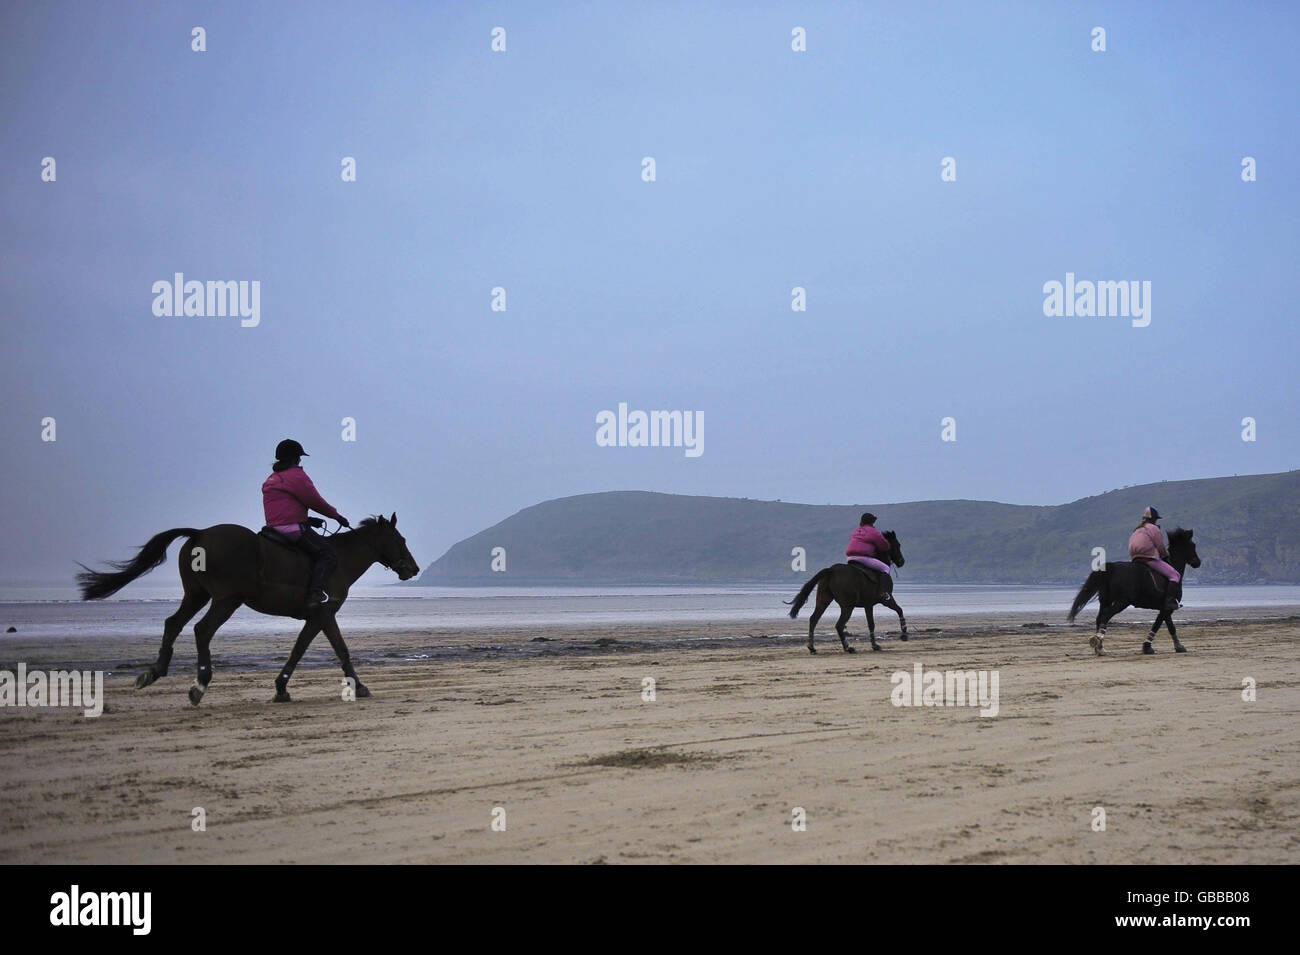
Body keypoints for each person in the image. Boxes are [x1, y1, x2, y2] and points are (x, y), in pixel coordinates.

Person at [262, 439, 350, 610]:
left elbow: (282, 508)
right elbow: (315, 501)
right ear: (295, 458)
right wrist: (336, 516)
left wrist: (309, 520)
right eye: (299, 457)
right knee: (328, 555)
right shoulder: (296, 475)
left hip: (272, 528)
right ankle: (315, 593)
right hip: (292, 529)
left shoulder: (272, 478)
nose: (301, 460)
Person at [1129, 505, 1180, 615]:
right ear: (1153, 519)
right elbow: (1160, 546)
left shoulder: (1137, 529)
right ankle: (1169, 601)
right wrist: (1166, 556)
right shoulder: (1154, 528)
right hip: (1148, 558)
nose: (1156, 521)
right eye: (1156, 519)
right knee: (1175, 575)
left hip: (1134, 558)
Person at [846, 512, 891, 577]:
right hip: (863, 558)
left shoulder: (855, 531)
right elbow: (884, 546)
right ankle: (883, 587)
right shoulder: (873, 531)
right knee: (886, 568)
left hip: (849, 558)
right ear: (871, 522)